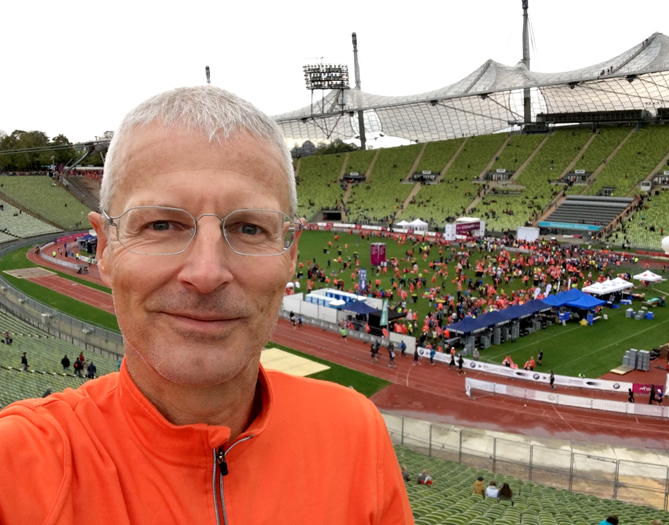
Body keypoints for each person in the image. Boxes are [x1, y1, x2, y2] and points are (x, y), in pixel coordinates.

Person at [0, 86, 412, 524]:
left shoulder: (356, 433)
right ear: (104, 248)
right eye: (162, 224)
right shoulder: (20, 467)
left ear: (289, 257)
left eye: (250, 228)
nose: (207, 272)